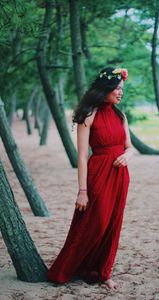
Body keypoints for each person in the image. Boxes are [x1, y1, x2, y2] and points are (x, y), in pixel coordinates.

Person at [47, 67, 134, 290]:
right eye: (117, 88)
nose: (120, 92)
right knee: (96, 222)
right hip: (98, 174)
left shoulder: (120, 115)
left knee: (113, 224)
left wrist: (127, 155)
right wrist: (82, 191)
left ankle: (102, 273)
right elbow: (83, 156)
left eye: (122, 89)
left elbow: (129, 146)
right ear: (104, 88)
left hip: (120, 176)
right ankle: (68, 268)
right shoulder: (89, 114)